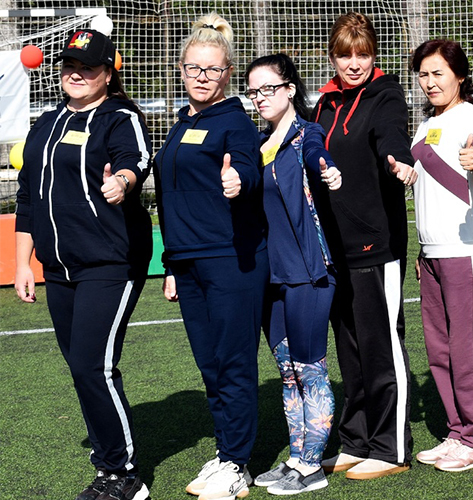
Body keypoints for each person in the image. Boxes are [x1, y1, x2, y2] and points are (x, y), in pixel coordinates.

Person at [14, 27, 151, 500]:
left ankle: (123, 474)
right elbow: (28, 196)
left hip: (110, 262)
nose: (76, 73)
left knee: (94, 365)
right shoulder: (47, 122)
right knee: (81, 367)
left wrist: (123, 181)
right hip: (59, 267)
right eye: (69, 65)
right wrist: (23, 263)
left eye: (88, 67)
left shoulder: (119, 117)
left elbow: (136, 161)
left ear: (108, 74)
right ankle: (109, 463)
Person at [154, 14, 267, 500]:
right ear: (181, 69)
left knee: (233, 362)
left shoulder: (235, 121)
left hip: (230, 260)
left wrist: (239, 179)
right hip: (188, 262)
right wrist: (172, 264)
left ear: (228, 73)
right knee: (210, 365)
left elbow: (248, 167)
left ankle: (238, 463)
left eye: (213, 69)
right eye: (194, 68)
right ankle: (226, 451)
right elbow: (172, 197)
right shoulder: (182, 122)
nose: (202, 77)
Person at [311, 11, 416, 481]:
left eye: (363, 54)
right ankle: (356, 441)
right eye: (344, 55)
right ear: (331, 57)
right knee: (350, 351)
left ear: (374, 55)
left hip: (377, 243)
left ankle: (391, 448)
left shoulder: (385, 94)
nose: (354, 64)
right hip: (334, 247)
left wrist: (399, 159)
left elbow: (391, 134)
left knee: (381, 346)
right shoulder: (323, 103)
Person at [244, 53, 343, 495]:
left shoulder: (307, 134)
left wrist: (328, 169)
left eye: (268, 88)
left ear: (289, 89)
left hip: (309, 272)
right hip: (272, 277)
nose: (260, 97)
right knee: (288, 372)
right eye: (253, 91)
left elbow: (319, 155)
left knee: (310, 369)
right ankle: (297, 458)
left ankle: (313, 467)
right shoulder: (257, 143)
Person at [409, 38, 473, 472]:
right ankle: (457, 432)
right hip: (431, 255)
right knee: (440, 352)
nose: (430, 82)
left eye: (438, 73)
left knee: (468, 349)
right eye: (423, 75)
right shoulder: (425, 125)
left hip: (468, 253)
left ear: (460, 76)